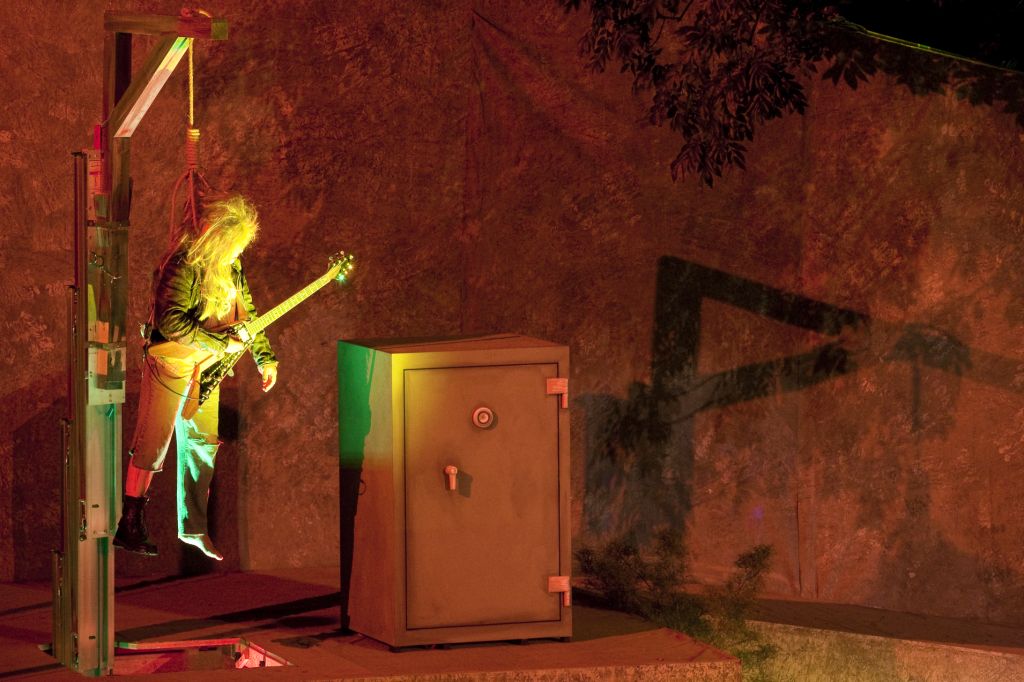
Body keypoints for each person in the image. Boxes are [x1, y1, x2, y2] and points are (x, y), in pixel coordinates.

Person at [113, 194, 278, 561]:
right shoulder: (184, 264)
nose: (239, 254)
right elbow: (171, 321)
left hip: (206, 365)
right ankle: (130, 523)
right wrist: (218, 342)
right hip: (171, 362)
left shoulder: (231, 267)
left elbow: (247, 313)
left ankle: (193, 527)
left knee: (203, 444)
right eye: (235, 246)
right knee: (153, 441)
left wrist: (265, 357)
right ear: (219, 241)